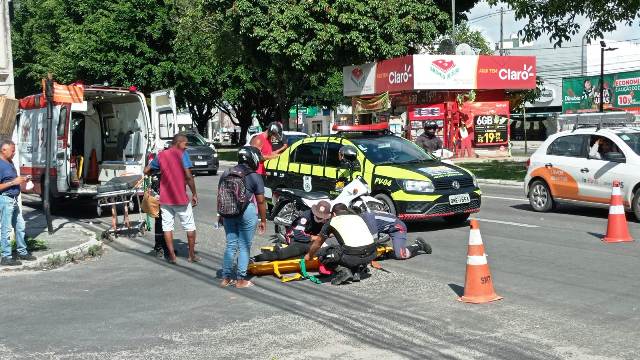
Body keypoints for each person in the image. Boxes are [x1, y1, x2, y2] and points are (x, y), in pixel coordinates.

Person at [144, 134, 198, 264]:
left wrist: (156, 172)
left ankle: (172, 256)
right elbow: (189, 176)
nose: (186, 147)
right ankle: (191, 256)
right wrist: (194, 193)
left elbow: (146, 170)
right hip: (180, 198)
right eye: (185, 144)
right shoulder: (182, 154)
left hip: (165, 199)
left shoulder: (161, 155)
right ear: (179, 143)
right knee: (190, 226)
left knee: (167, 227)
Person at [219, 146, 267, 288]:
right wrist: (263, 220)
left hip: (227, 212)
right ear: (253, 158)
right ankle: (240, 280)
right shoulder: (254, 176)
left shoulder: (226, 172)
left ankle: (226, 278)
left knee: (231, 245)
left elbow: (221, 196)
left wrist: (220, 215)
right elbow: (261, 201)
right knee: (244, 246)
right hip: (247, 212)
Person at [304, 203, 378, 285]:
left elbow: (318, 243)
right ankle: (356, 270)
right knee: (350, 246)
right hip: (372, 254)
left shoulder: (332, 221)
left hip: (353, 257)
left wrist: (309, 256)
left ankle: (343, 271)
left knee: (323, 253)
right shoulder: (357, 217)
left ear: (334, 214)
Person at [147, 151, 193, 259]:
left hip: (164, 194)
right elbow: (147, 171)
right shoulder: (163, 161)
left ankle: (165, 248)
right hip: (161, 194)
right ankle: (160, 247)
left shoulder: (164, 160)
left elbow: (147, 171)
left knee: (165, 222)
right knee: (161, 221)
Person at [252, 200, 331, 262]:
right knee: (285, 254)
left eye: (321, 217)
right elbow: (298, 235)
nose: (319, 218)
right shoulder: (305, 217)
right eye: (317, 215)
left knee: (326, 251)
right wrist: (314, 238)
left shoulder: (326, 220)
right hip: (295, 237)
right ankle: (256, 258)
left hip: (310, 238)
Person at [0, 140, 36, 266]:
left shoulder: (9, 162)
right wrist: (13, 183)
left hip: (14, 200)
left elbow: (13, 180)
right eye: (12, 150)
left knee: (20, 226)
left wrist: (23, 180)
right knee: (6, 228)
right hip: (5, 199)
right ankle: (6, 256)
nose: (14, 153)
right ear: (4, 150)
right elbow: (9, 183)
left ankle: (22, 251)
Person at [359, 210, 431, 260]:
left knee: (401, 255)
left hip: (398, 228)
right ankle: (386, 252)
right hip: (386, 227)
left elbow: (373, 242)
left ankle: (419, 245)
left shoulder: (368, 219)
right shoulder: (360, 218)